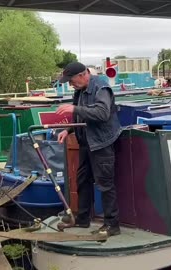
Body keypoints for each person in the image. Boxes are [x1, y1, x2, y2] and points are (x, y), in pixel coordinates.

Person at [56, 61, 122, 236]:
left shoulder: (101, 88)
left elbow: (102, 113)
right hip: (86, 143)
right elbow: (81, 115)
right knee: (82, 181)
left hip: (101, 143)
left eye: (71, 80)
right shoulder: (80, 90)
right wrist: (67, 130)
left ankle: (112, 225)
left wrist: (75, 108)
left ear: (83, 75)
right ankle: (83, 220)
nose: (70, 84)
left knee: (105, 184)